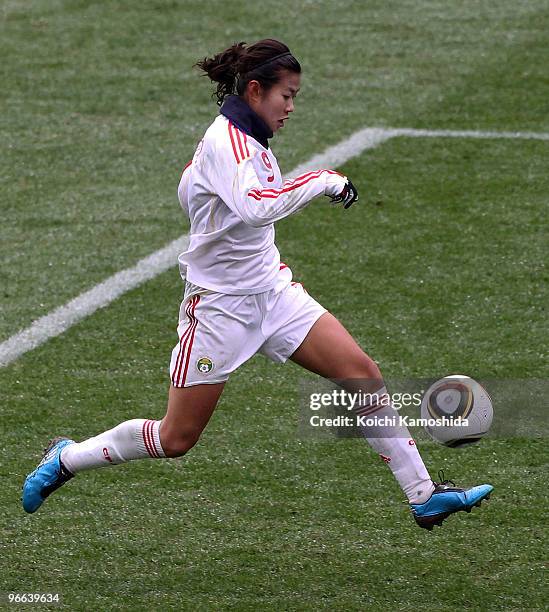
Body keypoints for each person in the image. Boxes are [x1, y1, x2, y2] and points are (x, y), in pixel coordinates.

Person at [22, 39, 492, 529]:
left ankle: (423, 494)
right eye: (285, 95)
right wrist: (325, 179)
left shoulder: (244, 142)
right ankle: (66, 458)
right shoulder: (227, 142)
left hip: (272, 293)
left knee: (360, 373)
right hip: (220, 310)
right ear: (253, 90)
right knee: (177, 437)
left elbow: (199, 191)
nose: (291, 107)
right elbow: (255, 205)